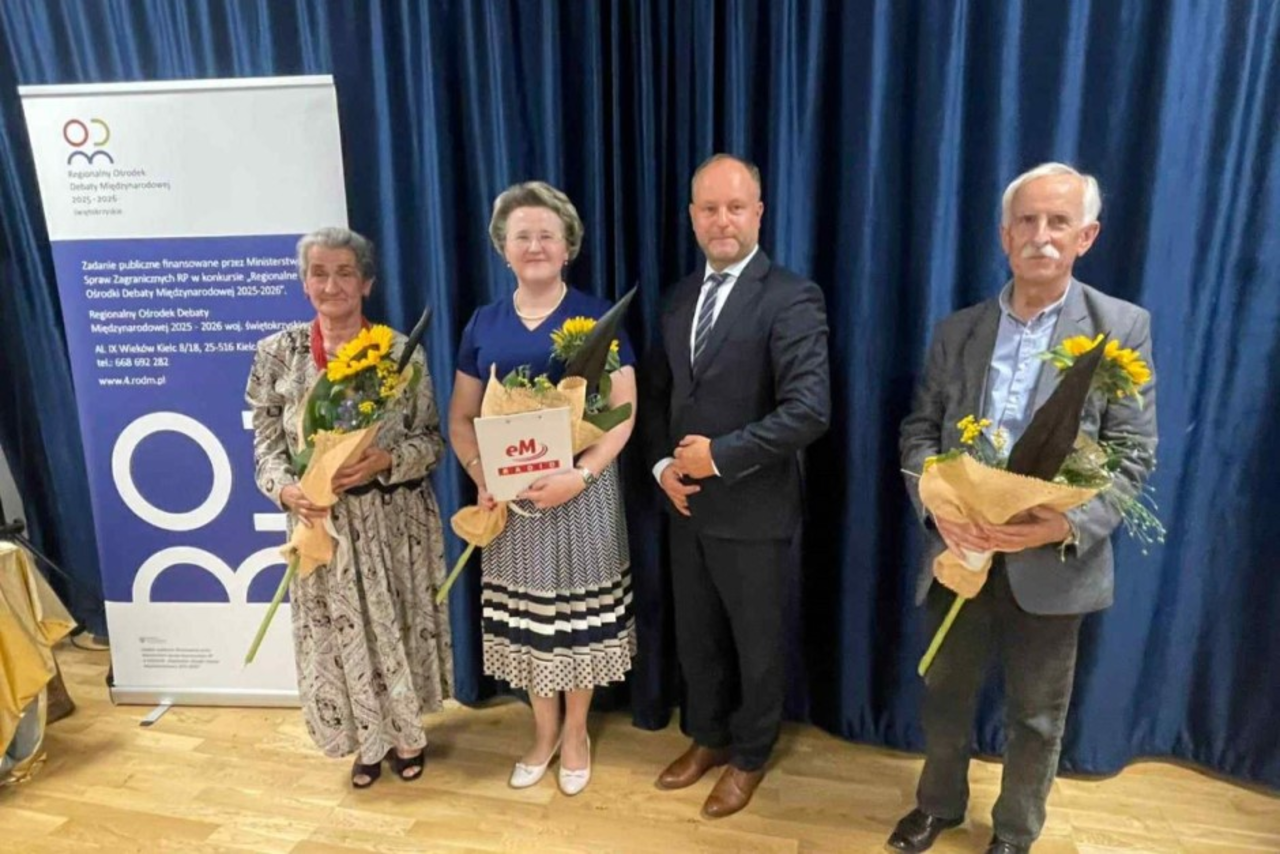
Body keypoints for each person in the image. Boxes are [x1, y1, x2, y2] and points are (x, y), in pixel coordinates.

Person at [892, 163, 1159, 853]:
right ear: (1005, 234)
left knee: (1037, 715)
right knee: (944, 695)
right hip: (960, 549)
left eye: (1058, 222)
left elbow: (1133, 454)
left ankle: (1014, 831)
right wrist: (937, 507)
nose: (1041, 235)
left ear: (1085, 236)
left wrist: (1063, 521)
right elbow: (919, 432)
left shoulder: (1120, 329)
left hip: (1053, 563)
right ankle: (937, 806)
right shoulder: (958, 330)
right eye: (1027, 221)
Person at [644, 154, 831, 818]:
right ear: (692, 217)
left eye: (735, 207)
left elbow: (809, 411)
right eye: (709, 208)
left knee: (758, 647)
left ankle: (749, 755)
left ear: (758, 213)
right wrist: (662, 469)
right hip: (686, 509)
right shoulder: (677, 298)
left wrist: (717, 457)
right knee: (697, 640)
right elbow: (660, 398)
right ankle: (708, 737)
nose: (721, 220)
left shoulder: (791, 296)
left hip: (755, 511)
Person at [447, 181, 637, 797]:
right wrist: (482, 474)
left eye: (547, 235)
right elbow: (460, 417)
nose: (535, 246)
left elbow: (623, 414)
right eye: (522, 235)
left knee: (578, 622)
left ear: (568, 246)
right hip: (512, 504)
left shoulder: (597, 319)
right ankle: (543, 730)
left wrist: (580, 474)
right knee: (530, 626)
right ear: (503, 248)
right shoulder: (483, 323)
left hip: (582, 496)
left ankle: (576, 732)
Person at [246, 227, 453, 788]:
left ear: (366, 283)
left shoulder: (399, 353)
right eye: (319, 273)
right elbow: (265, 446)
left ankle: (408, 735)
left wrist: (386, 459)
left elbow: (432, 441)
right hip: (321, 525)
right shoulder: (276, 354)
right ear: (304, 283)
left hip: (393, 521)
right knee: (340, 638)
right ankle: (367, 740)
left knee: (396, 627)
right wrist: (285, 490)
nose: (331, 285)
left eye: (344, 273)